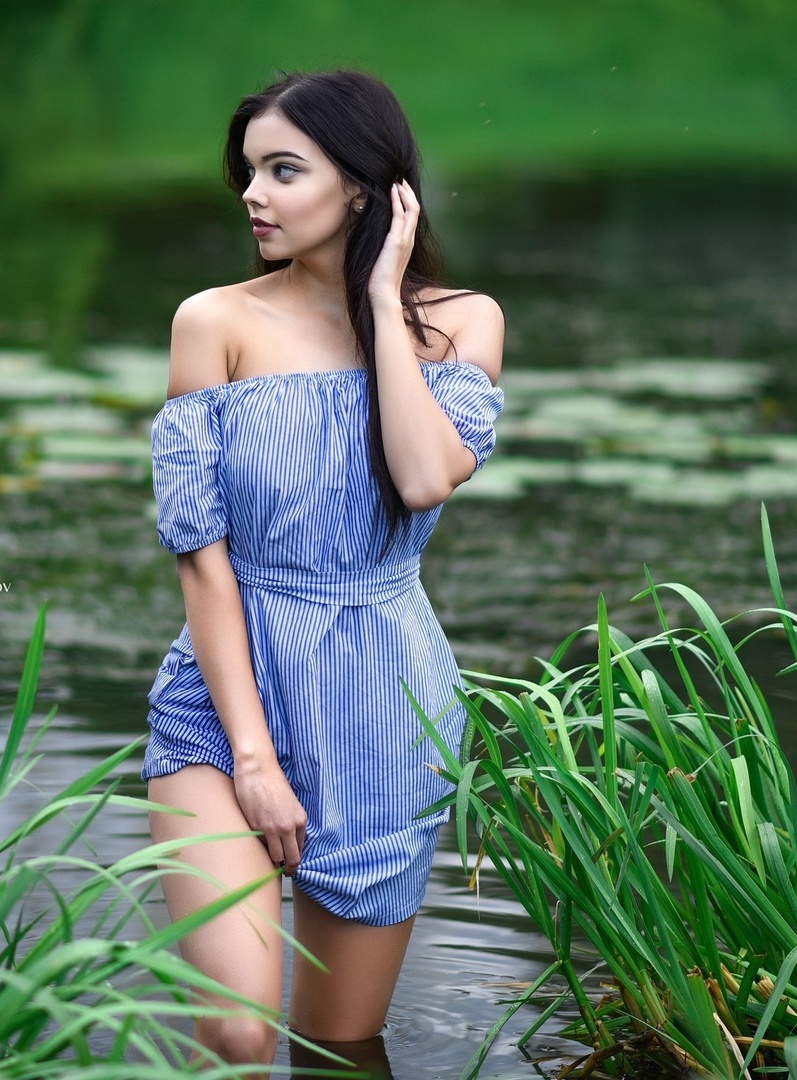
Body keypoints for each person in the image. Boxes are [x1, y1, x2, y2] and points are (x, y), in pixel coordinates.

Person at [141, 68, 505, 1072]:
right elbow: (202, 560)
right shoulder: (213, 322)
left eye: (284, 170)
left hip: (388, 713)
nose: (253, 194)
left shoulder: (460, 323)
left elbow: (424, 478)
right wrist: (253, 761)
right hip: (225, 710)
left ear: (364, 187)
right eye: (248, 171)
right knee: (239, 1030)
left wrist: (384, 309)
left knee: (341, 1049)